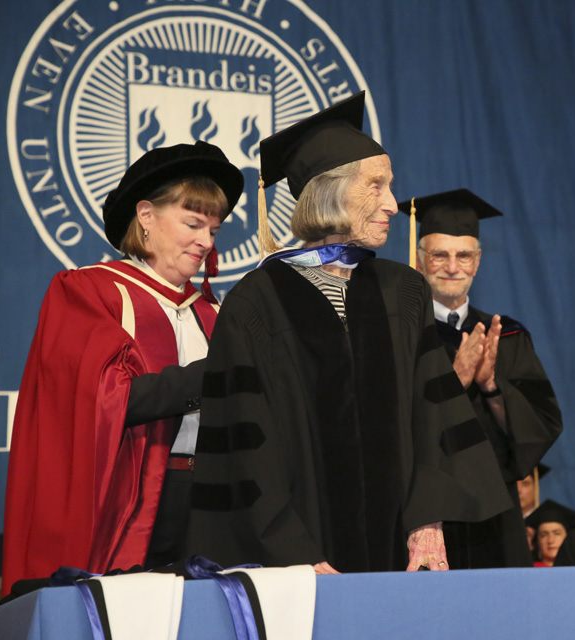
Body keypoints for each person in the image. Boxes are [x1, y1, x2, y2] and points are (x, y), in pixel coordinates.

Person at [183, 93, 512, 574]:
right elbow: (245, 451)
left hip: (401, 553)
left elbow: (433, 416)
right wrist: (296, 555)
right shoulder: (257, 302)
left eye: (390, 186)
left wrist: (426, 522)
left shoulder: (404, 292)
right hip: (302, 561)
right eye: (375, 186)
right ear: (329, 192)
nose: (392, 205)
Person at [2, 141, 244, 596]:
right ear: (147, 217)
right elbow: (107, 399)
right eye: (193, 223)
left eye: (214, 228)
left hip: (210, 503)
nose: (207, 242)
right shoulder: (91, 292)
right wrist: (217, 374)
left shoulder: (214, 313)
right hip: (125, 502)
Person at [402, 189, 563, 569]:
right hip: (426, 514)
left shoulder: (506, 336)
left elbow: (541, 428)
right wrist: (453, 382)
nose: (452, 267)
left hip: (497, 516)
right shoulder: (401, 336)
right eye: (440, 254)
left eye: (464, 256)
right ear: (420, 261)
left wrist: (492, 387)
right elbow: (385, 425)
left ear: (477, 262)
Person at [524, 500, 575, 567]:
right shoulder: (529, 571)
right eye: (544, 535)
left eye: (557, 533)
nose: (550, 540)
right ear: (538, 541)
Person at [518, 463, 550, 551]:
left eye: (525, 484)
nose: (518, 490)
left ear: (536, 489)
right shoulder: (501, 524)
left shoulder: (546, 522)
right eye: (514, 486)